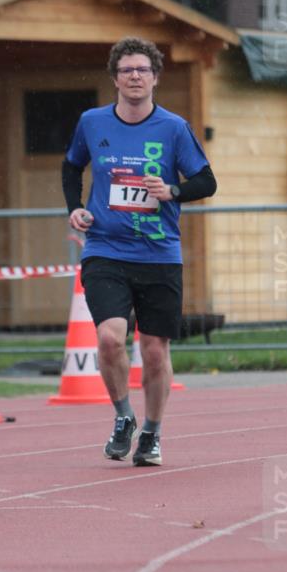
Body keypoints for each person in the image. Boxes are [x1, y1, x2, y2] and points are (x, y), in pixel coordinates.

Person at [62, 36, 217, 466]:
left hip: (159, 254)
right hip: (106, 248)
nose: (135, 76)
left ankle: (152, 432)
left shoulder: (173, 128)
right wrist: (75, 207)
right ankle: (124, 417)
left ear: (155, 78)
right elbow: (72, 165)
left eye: (142, 70)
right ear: (115, 78)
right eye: (127, 70)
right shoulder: (92, 123)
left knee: (154, 349)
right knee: (110, 338)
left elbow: (207, 182)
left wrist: (172, 190)